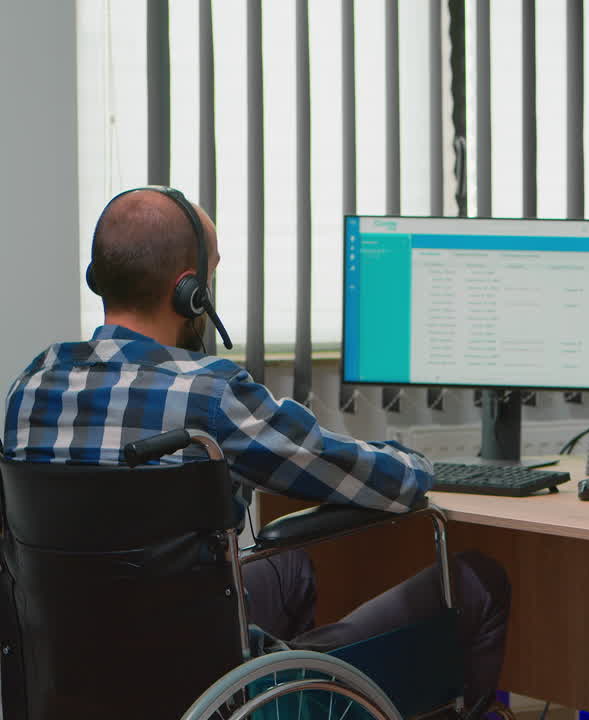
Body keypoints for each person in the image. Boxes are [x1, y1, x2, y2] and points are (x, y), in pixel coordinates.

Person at [2, 187, 509, 715]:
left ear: (98, 276)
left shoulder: (30, 388)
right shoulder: (210, 394)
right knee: (479, 582)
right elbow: (374, 479)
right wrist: (418, 464)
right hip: (205, 691)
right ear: (190, 292)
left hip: (70, 683)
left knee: (292, 571)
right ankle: (277, 699)